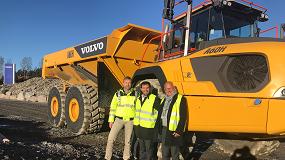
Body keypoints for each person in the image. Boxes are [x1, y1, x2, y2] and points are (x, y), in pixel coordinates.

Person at [105, 76, 137, 160]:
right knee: (111, 138)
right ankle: (107, 157)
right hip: (119, 120)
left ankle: (126, 157)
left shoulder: (135, 94)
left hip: (130, 121)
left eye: (129, 83)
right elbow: (113, 107)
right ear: (123, 83)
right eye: (126, 83)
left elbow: (138, 108)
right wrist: (111, 120)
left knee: (128, 141)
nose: (127, 84)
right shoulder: (118, 94)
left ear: (131, 84)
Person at [156, 81, 187, 160]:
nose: (168, 90)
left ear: (173, 88)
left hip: (174, 131)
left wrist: (179, 131)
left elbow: (183, 116)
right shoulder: (164, 99)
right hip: (164, 129)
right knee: (165, 153)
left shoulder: (180, 99)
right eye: (166, 89)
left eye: (169, 88)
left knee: (174, 154)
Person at [133, 81, 161, 160]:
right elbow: (137, 115)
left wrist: (156, 128)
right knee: (142, 150)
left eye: (147, 88)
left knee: (149, 150)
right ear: (141, 89)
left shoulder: (154, 98)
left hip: (149, 130)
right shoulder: (138, 100)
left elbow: (160, 113)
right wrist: (136, 129)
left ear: (150, 88)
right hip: (140, 129)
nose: (145, 89)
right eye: (143, 88)